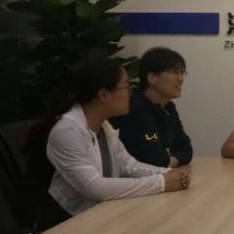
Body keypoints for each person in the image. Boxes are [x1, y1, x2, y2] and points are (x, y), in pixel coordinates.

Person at [46, 58, 190, 218]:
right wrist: (161, 182)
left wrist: (168, 173)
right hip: (65, 221)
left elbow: (128, 166)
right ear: (104, 95)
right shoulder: (67, 131)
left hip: (100, 214)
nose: (130, 93)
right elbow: (96, 188)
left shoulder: (104, 125)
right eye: (126, 86)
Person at [110, 47, 193, 168]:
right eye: (174, 72)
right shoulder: (134, 108)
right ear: (152, 78)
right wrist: (168, 160)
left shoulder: (168, 107)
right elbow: (153, 158)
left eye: (182, 72)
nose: (181, 79)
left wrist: (171, 161)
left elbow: (186, 148)